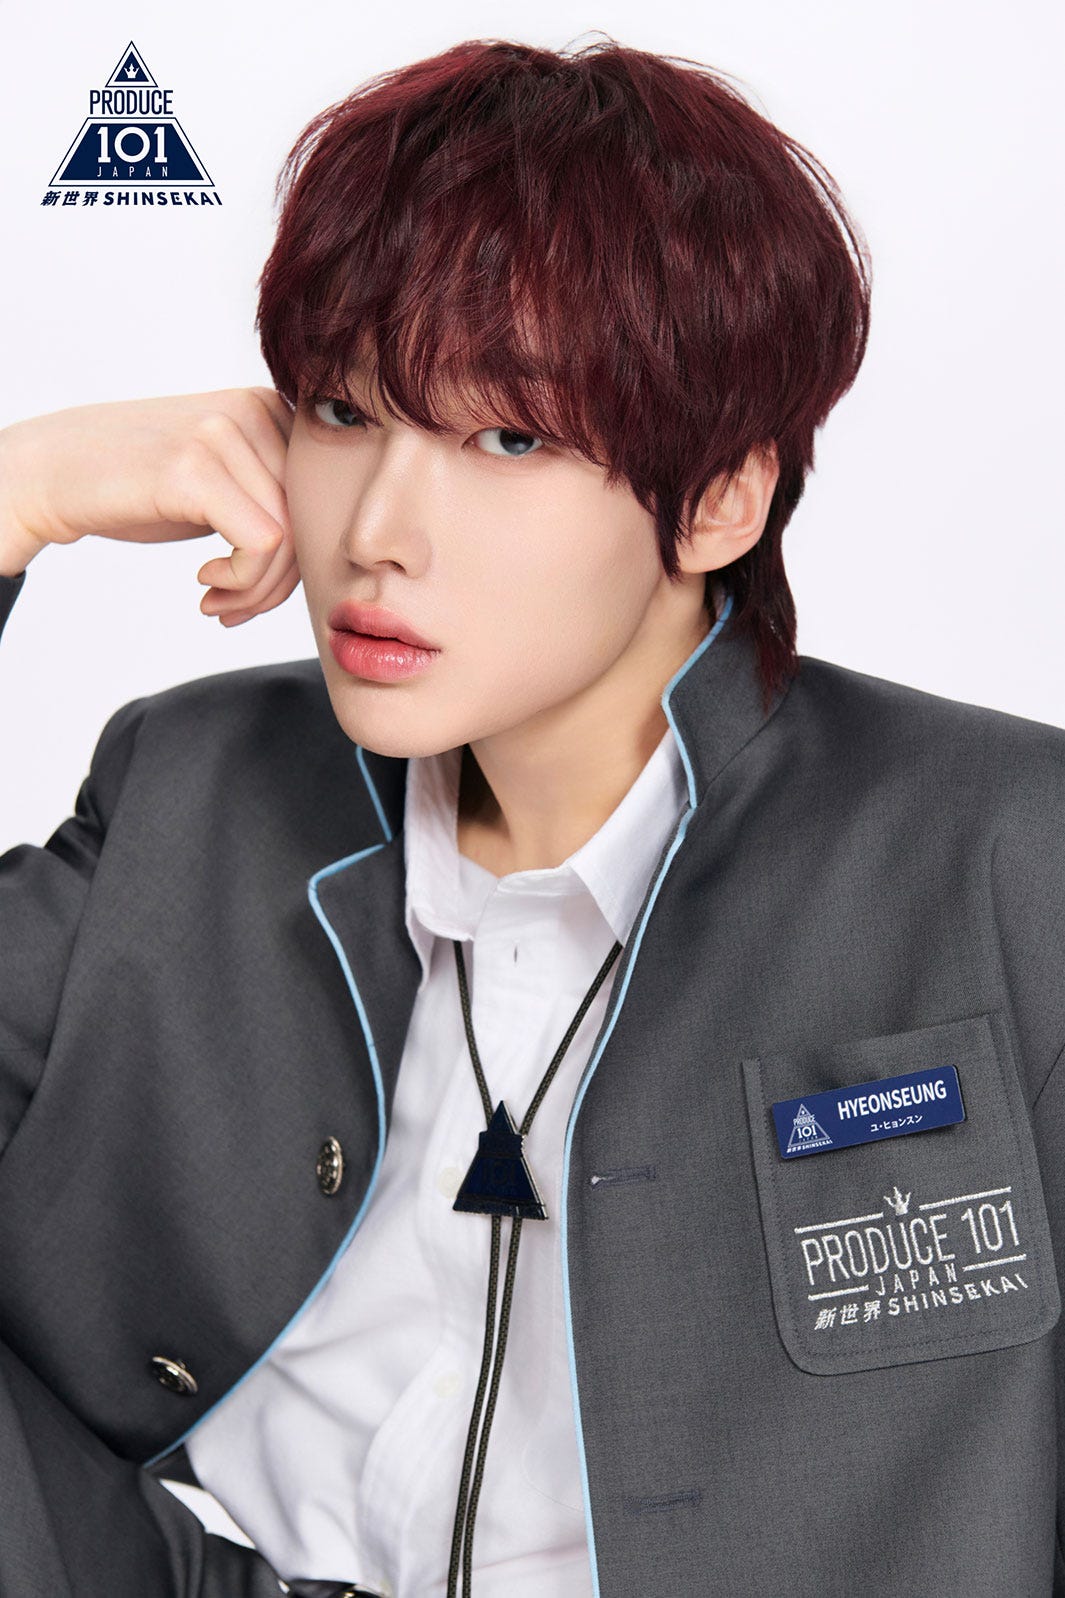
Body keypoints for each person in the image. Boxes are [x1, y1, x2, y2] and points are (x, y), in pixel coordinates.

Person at [1, 32, 1063, 1598]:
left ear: (720, 499)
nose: (378, 531)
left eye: (507, 439)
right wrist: (13, 495)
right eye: (340, 413)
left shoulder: (1003, 855)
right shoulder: (193, 794)